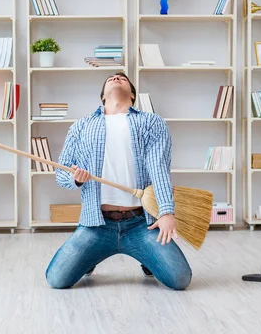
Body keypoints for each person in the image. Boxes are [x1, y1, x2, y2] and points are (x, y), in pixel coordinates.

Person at [45, 72, 192, 290]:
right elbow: (62, 173)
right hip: (96, 224)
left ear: (132, 95)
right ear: (102, 96)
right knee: (56, 280)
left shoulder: (150, 122)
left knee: (180, 280)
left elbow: (158, 169)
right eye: (111, 78)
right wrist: (75, 179)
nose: (116, 77)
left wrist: (166, 212)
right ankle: (90, 257)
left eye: (123, 78)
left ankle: (147, 257)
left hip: (141, 223)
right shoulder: (82, 126)